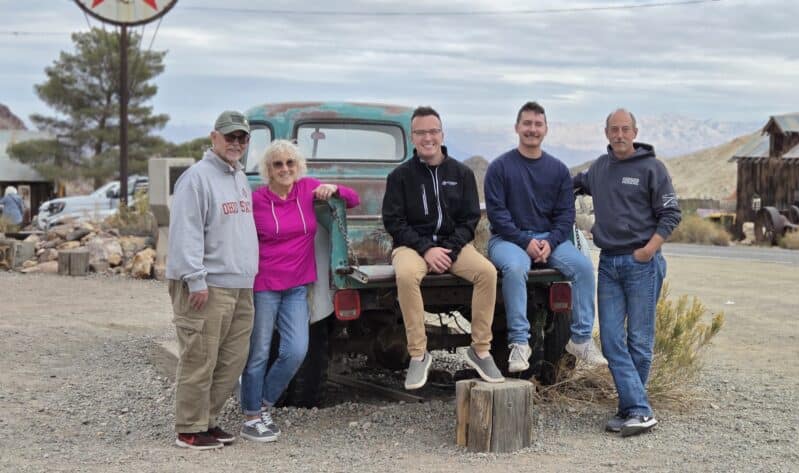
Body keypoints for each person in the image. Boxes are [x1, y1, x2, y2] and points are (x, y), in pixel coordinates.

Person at [240, 140, 360, 442]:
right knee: (259, 354)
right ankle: (251, 416)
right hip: (264, 286)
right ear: (268, 170)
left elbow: (354, 199)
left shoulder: (307, 189)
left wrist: (333, 189)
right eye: (277, 164)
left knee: (295, 351)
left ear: (298, 167)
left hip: (296, 287)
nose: (285, 169)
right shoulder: (256, 200)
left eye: (290, 163)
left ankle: (264, 403)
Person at [573, 109, 681, 437]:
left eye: (625, 129)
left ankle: (633, 408)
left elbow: (671, 213)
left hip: (642, 263)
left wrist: (649, 250)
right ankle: (636, 408)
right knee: (610, 339)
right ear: (606, 132)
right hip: (609, 263)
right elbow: (568, 185)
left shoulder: (652, 168)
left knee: (639, 339)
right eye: (614, 129)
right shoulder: (599, 169)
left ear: (635, 131)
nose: (619, 135)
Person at [382, 106, 505, 389]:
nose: (428, 138)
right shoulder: (400, 177)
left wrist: (448, 250)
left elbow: (470, 218)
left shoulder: (461, 173)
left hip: (454, 247)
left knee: (487, 272)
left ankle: (480, 349)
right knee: (405, 275)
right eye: (421, 132)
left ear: (442, 134)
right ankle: (418, 354)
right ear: (412, 137)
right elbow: (394, 221)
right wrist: (426, 249)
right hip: (411, 248)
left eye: (433, 131)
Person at [484, 101, 607, 373]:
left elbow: (565, 216)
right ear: (517, 127)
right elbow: (498, 216)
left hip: (549, 240)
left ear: (546, 129)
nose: (532, 129)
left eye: (537, 124)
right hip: (507, 241)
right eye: (527, 124)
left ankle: (581, 339)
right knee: (516, 268)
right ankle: (519, 342)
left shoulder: (558, 170)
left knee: (584, 267)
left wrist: (549, 243)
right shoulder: (499, 168)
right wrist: (525, 243)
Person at [165, 110, 259, 450]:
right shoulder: (196, 178)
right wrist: (195, 278)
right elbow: (186, 232)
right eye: (229, 136)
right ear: (213, 137)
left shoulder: (239, 177)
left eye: (241, 138)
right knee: (200, 356)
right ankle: (189, 428)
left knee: (231, 358)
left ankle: (207, 421)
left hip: (239, 285)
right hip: (207, 284)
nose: (235, 143)